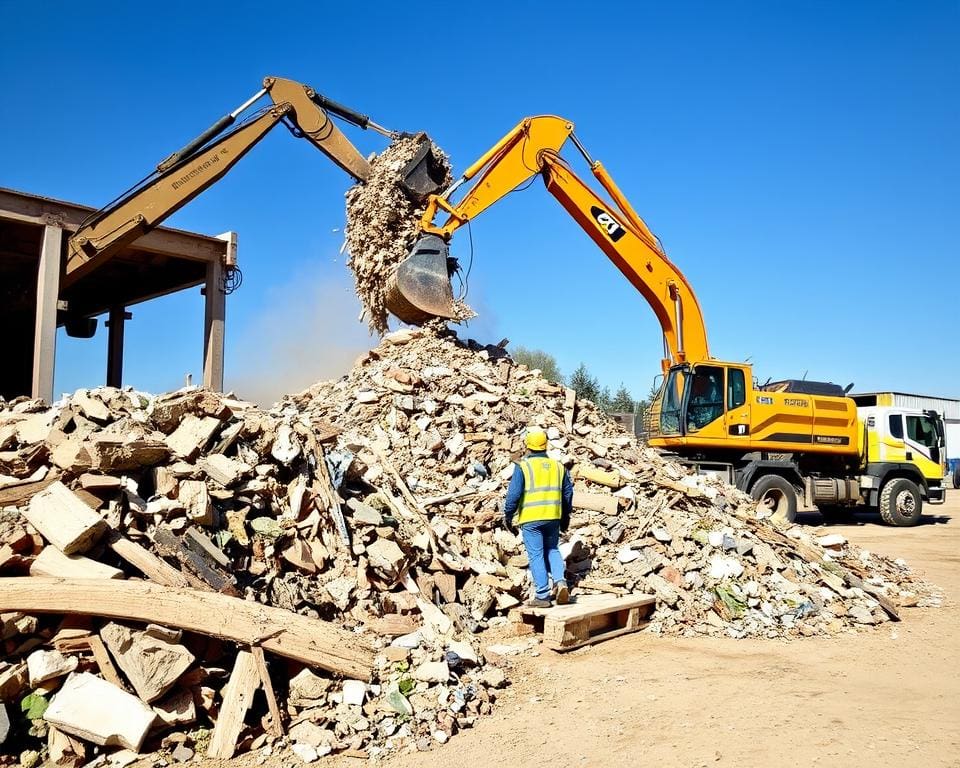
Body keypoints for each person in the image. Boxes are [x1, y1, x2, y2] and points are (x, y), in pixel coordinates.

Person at [503, 427, 574, 608]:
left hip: (531, 519)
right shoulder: (559, 467)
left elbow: (513, 495)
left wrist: (508, 516)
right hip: (553, 517)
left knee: (536, 555)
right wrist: (565, 517)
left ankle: (542, 595)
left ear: (527, 445)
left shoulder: (523, 466)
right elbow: (567, 493)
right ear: (545, 445)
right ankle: (560, 582)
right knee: (552, 549)